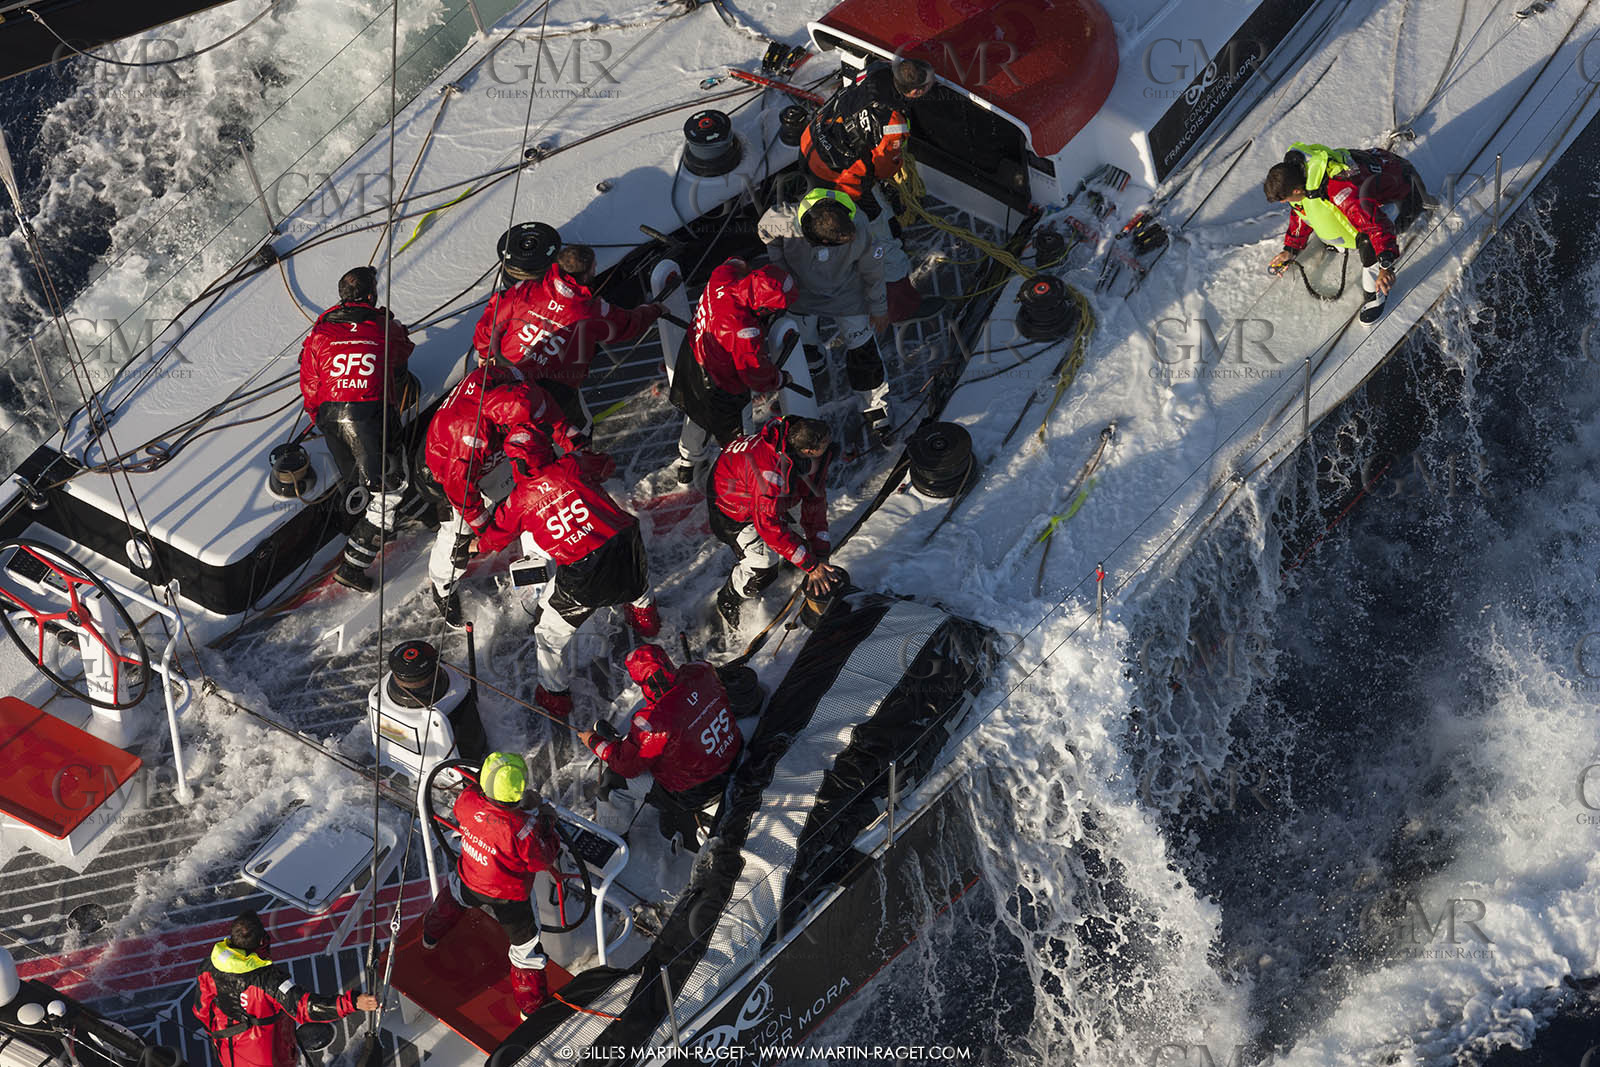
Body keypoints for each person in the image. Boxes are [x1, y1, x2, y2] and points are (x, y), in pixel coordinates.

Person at [475, 447, 659, 720]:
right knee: (637, 583)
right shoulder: (572, 463)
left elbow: (493, 538)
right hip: (626, 546)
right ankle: (647, 620)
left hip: (585, 574)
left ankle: (554, 696)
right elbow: (606, 464)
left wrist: (475, 544)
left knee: (547, 634)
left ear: (515, 465)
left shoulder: (519, 500)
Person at [420, 359, 591, 627]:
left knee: (537, 497)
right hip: (453, 468)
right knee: (459, 535)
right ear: (502, 425)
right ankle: (442, 587)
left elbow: (547, 411)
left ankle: (541, 577)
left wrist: (572, 438)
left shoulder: (514, 386)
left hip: (499, 455)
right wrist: (483, 528)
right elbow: (460, 489)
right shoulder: (469, 436)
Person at [297, 266, 416, 593]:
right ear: (371, 296)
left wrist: (317, 418)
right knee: (392, 487)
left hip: (329, 416)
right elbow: (404, 351)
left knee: (362, 476)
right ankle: (354, 564)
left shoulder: (319, 334)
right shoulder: (383, 327)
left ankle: (366, 508)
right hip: (369, 415)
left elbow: (309, 383)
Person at [420, 752, 560, 1019]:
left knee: (453, 897)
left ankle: (430, 935)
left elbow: (478, 807)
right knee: (525, 949)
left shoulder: (467, 801)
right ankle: (530, 1009)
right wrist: (545, 821)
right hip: (510, 900)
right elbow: (542, 859)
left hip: (470, 878)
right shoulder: (523, 830)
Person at [471, 244, 663, 438]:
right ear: (587, 274)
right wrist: (655, 309)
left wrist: (485, 353)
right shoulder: (594, 311)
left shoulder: (526, 289)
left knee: (506, 422)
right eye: (594, 267)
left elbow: (492, 321)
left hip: (509, 373)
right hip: (556, 389)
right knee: (578, 430)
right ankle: (578, 454)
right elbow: (628, 326)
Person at [799, 57, 939, 321]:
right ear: (915, 92)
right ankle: (901, 307)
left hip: (810, 145)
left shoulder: (874, 73)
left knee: (877, 219)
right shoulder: (893, 125)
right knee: (883, 242)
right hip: (840, 179)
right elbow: (885, 169)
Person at [577, 644, 742, 852]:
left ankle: (612, 840)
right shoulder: (702, 671)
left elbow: (626, 766)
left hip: (698, 791)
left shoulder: (653, 723)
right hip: (731, 757)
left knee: (612, 781)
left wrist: (593, 741)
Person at [758, 190, 893, 439]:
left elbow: (873, 270)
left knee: (864, 354)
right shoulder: (780, 220)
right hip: (801, 297)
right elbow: (766, 233)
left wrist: (878, 308)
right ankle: (812, 369)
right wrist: (781, 270)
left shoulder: (859, 225)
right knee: (802, 349)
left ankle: (876, 406)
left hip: (847, 297)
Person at [1263, 142, 1427, 326]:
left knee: (1368, 240)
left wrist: (1385, 266)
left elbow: (1376, 226)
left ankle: (1376, 292)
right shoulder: (1300, 179)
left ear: (1296, 190)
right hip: (1376, 169)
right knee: (1342, 217)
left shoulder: (1341, 192)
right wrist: (1290, 249)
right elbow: (1301, 211)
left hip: (1407, 191)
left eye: (1285, 199)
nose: (1285, 203)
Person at [707, 414, 845, 627]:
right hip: (731, 508)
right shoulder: (769, 474)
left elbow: (814, 503)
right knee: (764, 568)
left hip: (753, 490)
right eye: (824, 444)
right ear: (808, 450)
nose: (830, 446)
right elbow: (768, 526)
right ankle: (730, 597)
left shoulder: (805, 451)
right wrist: (810, 564)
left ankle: (793, 552)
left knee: (795, 544)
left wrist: (820, 553)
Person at [194, 910, 378, 1067]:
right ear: (261, 943)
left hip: (228, 1054)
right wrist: (354, 1002)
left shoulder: (208, 967)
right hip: (271, 1058)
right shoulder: (270, 981)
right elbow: (305, 1007)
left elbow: (201, 1011)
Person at [669, 257, 796, 486]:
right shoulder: (745, 330)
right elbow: (755, 374)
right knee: (740, 438)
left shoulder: (723, 275)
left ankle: (687, 463)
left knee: (695, 414)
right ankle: (740, 481)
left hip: (692, 357)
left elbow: (734, 262)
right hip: (722, 385)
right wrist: (780, 378)